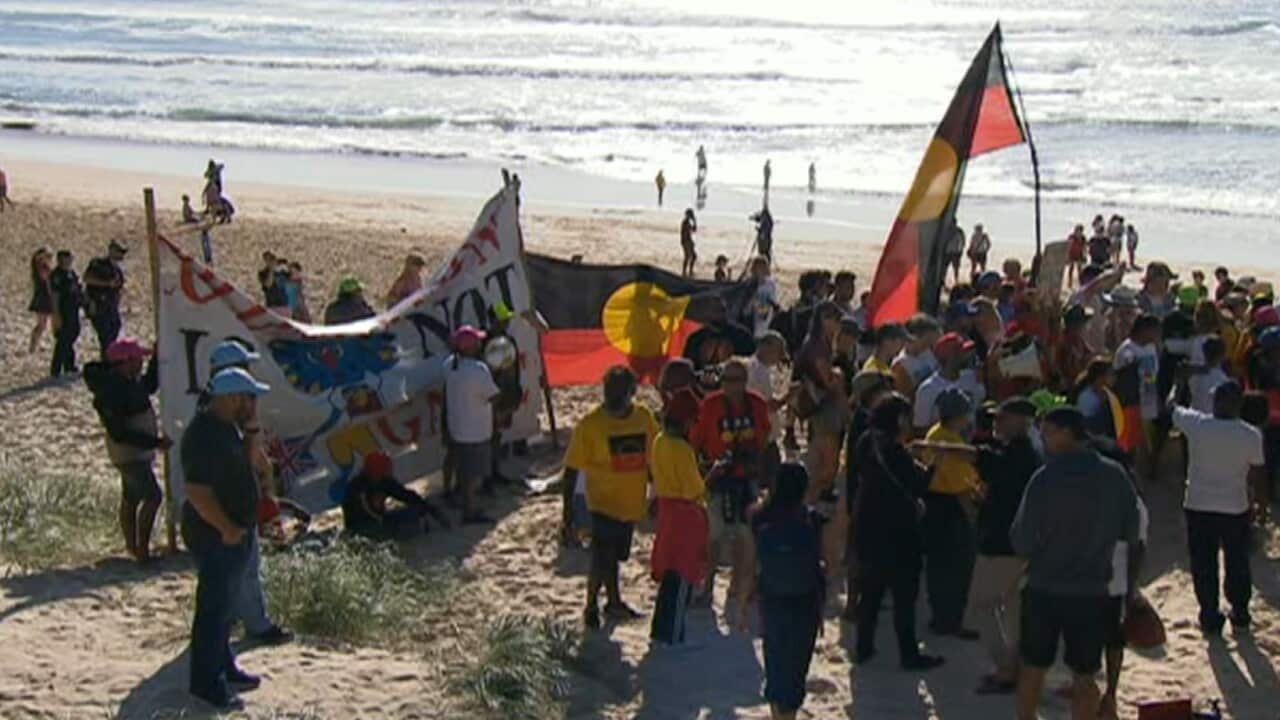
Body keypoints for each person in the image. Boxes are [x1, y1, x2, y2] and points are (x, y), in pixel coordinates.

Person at [1011, 406, 1141, 720]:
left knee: (1033, 667)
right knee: (1084, 674)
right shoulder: (1114, 476)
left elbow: (1021, 540)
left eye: (1048, 433)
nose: (1043, 440)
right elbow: (1132, 534)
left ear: (1068, 433)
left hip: (1044, 587)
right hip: (1092, 590)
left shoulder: (1044, 478)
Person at [181, 367, 271, 710]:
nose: (253, 403)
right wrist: (226, 529)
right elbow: (197, 492)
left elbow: (253, 465)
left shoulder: (227, 428)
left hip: (235, 530)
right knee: (214, 610)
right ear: (232, 398)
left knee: (227, 608)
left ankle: (225, 666)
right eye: (249, 398)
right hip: (217, 534)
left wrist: (251, 429)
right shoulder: (205, 435)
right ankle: (206, 684)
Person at [204, 341, 295, 646]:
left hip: (231, 503)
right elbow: (246, 458)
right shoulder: (222, 420)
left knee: (238, 569)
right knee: (244, 570)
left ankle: (234, 622)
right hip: (229, 506)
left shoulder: (219, 414)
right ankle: (255, 624)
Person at [852, 394, 945, 670]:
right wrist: (933, 465)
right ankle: (908, 654)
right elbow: (918, 485)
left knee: (870, 594)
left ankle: (863, 647)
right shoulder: (896, 452)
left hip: (868, 528)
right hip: (899, 533)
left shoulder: (866, 442)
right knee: (905, 597)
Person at [564, 366, 659, 629]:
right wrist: (568, 515)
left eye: (619, 393)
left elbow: (655, 457)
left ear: (632, 393)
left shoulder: (643, 418)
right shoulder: (590, 424)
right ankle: (591, 605)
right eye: (609, 392)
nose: (612, 397)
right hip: (601, 503)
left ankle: (614, 602)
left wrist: (658, 493)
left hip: (631, 503)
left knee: (615, 558)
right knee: (601, 556)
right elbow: (571, 471)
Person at [1171, 380, 1266, 634]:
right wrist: (1260, 507)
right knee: (1237, 560)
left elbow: (1171, 408)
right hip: (1235, 507)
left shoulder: (1198, 424)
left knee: (1204, 562)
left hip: (1199, 505)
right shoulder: (1251, 434)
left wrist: (1177, 382)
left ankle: (1209, 613)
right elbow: (1257, 476)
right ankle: (1240, 611)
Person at [735, 463, 827, 720]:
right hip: (805, 604)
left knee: (775, 666)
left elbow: (748, 568)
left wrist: (742, 605)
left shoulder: (759, 518)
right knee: (796, 671)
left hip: (772, 601)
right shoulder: (813, 520)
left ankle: (778, 716)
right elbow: (827, 563)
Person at [969, 397, 1041, 694]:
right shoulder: (1025, 453)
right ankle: (1017, 667)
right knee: (1013, 609)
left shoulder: (1019, 456)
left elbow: (982, 459)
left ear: (1020, 422)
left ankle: (1005, 669)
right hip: (1022, 544)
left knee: (980, 604)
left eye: (1002, 418)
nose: (996, 424)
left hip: (1002, 544)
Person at [691, 358, 772, 610]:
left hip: (746, 478)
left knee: (745, 536)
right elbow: (697, 440)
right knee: (713, 536)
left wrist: (756, 464)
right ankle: (708, 586)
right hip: (719, 479)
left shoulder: (756, 404)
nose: (731, 386)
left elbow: (765, 437)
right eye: (726, 380)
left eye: (736, 380)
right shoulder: (712, 405)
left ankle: (738, 586)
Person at [84, 338, 170, 563]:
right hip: (129, 453)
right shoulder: (112, 391)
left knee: (131, 497)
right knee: (153, 497)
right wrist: (155, 442)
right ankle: (142, 552)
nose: (141, 362)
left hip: (133, 452)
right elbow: (120, 433)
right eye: (138, 359)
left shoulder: (126, 382)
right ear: (125, 362)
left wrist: (156, 358)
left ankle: (133, 546)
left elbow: (149, 385)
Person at [917, 388, 981, 638]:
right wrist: (972, 519)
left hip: (933, 505)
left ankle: (940, 617)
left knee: (937, 566)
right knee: (957, 567)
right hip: (950, 507)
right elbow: (961, 489)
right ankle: (952, 620)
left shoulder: (935, 433)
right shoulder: (951, 443)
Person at [649, 389, 711, 646]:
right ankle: (673, 636)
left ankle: (659, 629)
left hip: (667, 509)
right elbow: (694, 489)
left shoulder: (659, 440)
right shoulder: (682, 449)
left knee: (669, 573)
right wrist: (712, 474)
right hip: (685, 513)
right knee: (683, 574)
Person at [443, 325, 499, 525]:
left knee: (463, 470)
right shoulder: (478, 370)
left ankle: (463, 503)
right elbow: (493, 396)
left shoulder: (449, 365)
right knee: (476, 474)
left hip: (457, 427)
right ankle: (469, 510)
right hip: (477, 430)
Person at [342, 451, 434, 540]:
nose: (389, 471)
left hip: (379, 520)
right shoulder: (358, 487)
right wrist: (388, 522)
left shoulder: (385, 481)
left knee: (413, 512)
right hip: (362, 525)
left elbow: (404, 494)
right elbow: (365, 512)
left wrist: (422, 505)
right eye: (386, 468)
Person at [1113, 314, 1161, 474]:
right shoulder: (1127, 351)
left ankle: (1150, 469)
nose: (1157, 335)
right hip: (1132, 403)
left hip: (1149, 400)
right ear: (1144, 330)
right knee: (1130, 441)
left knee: (1148, 439)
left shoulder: (1151, 347)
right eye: (1154, 331)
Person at [913, 332, 981, 434]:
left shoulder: (971, 377)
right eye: (962, 352)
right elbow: (920, 429)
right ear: (951, 357)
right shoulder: (927, 389)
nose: (967, 355)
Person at [83, 240, 127, 356]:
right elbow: (87, 278)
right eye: (119, 252)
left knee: (114, 329)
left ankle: (109, 357)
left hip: (111, 306)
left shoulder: (117, 271)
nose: (121, 255)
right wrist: (106, 283)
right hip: (98, 305)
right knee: (105, 335)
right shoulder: (98, 264)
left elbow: (119, 288)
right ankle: (106, 359)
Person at [49, 249, 84, 377]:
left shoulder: (71, 273)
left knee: (73, 334)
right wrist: (56, 315)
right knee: (63, 338)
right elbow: (55, 296)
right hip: (63, 311)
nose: (68, 261)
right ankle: (56, 368)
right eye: (65, 259)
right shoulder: (57, 275)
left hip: (73, 310)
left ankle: (69, 365)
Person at [892, 314, 942, 398]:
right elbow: (905, 396)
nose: (932, 344)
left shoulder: (929, 353)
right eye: (928, 340)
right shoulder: (901, 364)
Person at [1189, 335, 1230, 414]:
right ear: (1223, 355)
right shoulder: (1223, 380)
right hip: (1211, 419)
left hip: (1194, 415)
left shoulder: (1193, 373)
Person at [28, 247, 53, 354]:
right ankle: (33, 346)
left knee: (42, 324)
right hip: (44, 298)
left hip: (43, 297)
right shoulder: (42, 268)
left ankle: (35, 345)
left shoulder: (37, 267)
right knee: (41, 325)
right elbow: (48, 281)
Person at [680, 209, 698, 278]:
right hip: (686, 241)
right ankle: (684, 271)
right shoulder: (685, 222)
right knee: (687, 256)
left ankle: (690, 270)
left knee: (693, 256)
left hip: (688, 241)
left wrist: (695, 221)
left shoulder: (688, 223)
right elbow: (685, 233)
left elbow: (694, 230)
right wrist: (688, 243)